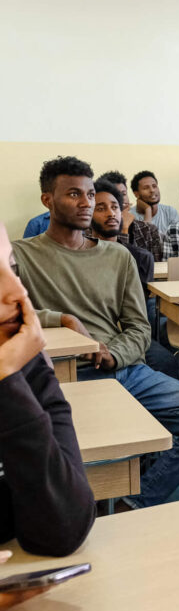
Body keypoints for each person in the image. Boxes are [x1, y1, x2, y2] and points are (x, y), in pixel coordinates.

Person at [13, 156, 179, 511]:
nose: (85, 203)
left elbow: (139, 325)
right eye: (73, 195)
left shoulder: (118, 257)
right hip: (59, 377)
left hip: (122, 369)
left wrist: (115, 355)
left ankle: (133, 501)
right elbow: (9, 313)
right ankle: (74, 506)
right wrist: (61, 319)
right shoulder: (22, 255)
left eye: (89, 194)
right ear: (47, 200)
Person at [0, 222, 95, 566]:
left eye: (12, 269)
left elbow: (62, 529)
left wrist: (6, 378)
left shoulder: (23, 361)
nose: (18, 294)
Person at [89, 181, 179, 380]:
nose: (111, 214)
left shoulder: (140, 257)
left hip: (128, 333)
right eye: (101, 208)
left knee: (168, 362)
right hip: (93, 333)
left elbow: (135, 309)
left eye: (116, 208)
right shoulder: (80, 253)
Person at [102, 172, 164, 263]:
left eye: (123, 194)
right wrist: (124, 228)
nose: (122, 199)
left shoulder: (149, 230)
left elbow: (157, 268)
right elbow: (116, 264)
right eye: (115, 195)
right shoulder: (95, 230)